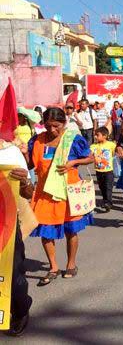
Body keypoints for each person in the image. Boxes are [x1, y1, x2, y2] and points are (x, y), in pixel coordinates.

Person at [28, 108, 95, 285]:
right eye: (48, 126)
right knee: (45, 231)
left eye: (56, 126)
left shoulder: (73, 140)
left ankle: (71, 263)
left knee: (71, 229)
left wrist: (74, 162)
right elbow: (29, 163)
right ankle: (53, 267)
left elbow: (90, 158)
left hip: (68, 192)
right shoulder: (37, 140)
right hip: (45, 193)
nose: (52, 130)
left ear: (64, 123)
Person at [0, 139, 34, 336]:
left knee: (13, 276)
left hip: (7, 226)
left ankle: (21, 310)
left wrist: (24, 181)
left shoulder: (11, 152)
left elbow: (28, 192)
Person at [90, 127, 116, 213]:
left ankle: (108, 202)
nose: (95, 137)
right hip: (99, 171)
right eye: (95, 135)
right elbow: (90, 154)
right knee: (102, 187)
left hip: (108, 171)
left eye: (98, 135)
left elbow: (114, 153)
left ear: (105, 136)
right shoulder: (93, 146)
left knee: (108, 187)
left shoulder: (111, 145)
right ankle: (105, 201)